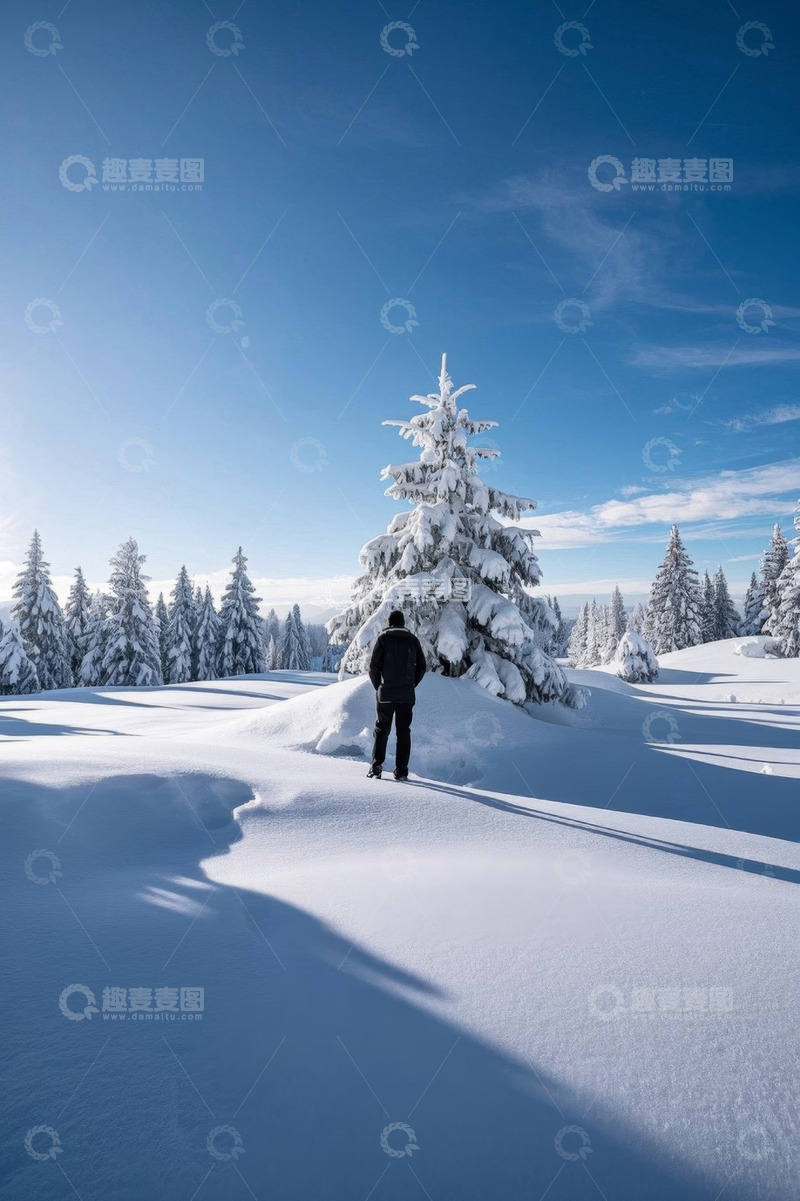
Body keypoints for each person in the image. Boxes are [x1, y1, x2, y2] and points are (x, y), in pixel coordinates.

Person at [367, 610, 426, 780]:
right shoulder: (413, 640)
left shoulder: (383, 639)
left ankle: (376, 767)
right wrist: (411, 684)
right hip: (406, 694)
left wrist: (379, 686)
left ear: (389, 623)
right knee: (403, 731)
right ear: (403, 623)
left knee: (382, 729)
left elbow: (373, 667)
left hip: (386, 693)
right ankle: (401, 770)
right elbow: (422, 667)